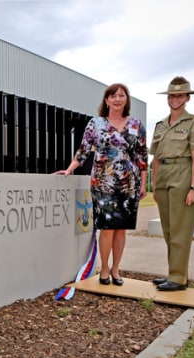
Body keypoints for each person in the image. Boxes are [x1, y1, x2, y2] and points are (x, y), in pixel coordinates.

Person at [56, 83, 148, 286]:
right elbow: (83, 150)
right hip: (102, 184)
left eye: (121, 95)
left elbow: (142, 155)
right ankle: (104, 268)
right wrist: (70, 168)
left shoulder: (136, 125)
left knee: (121, 229)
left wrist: (144, 183)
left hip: (129, 184)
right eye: (113, 96)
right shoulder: (95, 124)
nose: (117, 99)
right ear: (106, 100)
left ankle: (116, 270)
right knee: (107, 228)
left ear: (126, 100)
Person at [149, 76, 194, 291]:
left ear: (187, 98)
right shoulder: (161, 125)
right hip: (163, 175)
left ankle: (177, 278)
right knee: (168, 230)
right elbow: (155, 158)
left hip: (183, 173)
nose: (175, 99)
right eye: (172, 96)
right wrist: (154, 186)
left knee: (180, 229)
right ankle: (176, 273)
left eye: (180, 96)